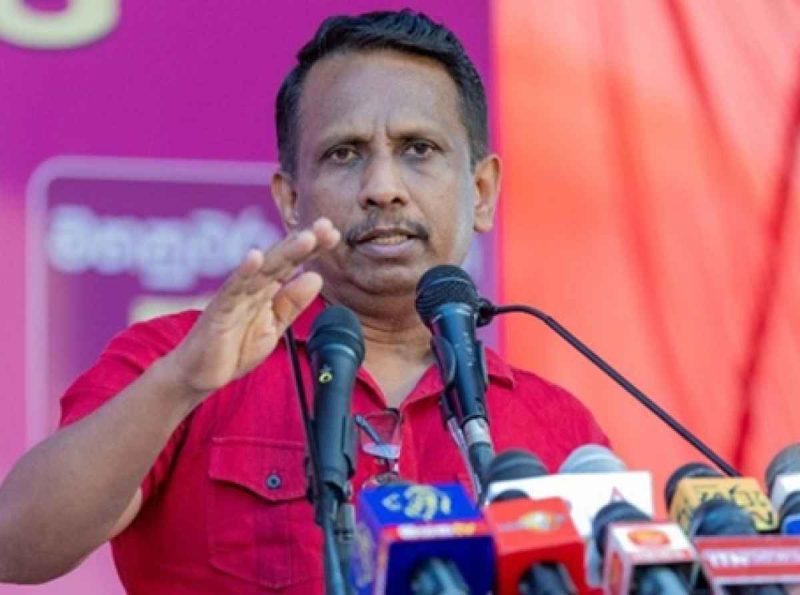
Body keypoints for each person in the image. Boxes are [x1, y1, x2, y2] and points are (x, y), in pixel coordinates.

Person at [0, 9, 607, 594]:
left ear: (482, 191)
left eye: (418, 149)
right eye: (345, 154)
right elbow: (16, 544)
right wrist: (180, 383)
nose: (383, 189)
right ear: (292, 200)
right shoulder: (179, 361)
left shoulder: (556, 425)